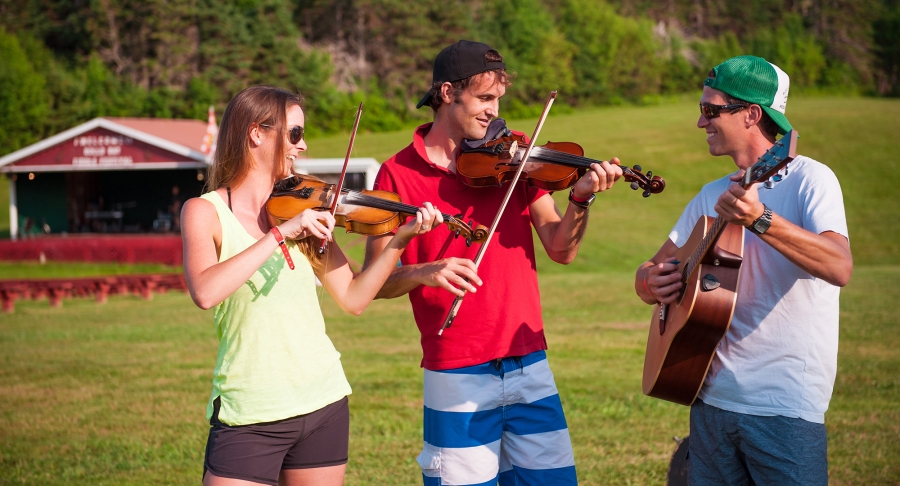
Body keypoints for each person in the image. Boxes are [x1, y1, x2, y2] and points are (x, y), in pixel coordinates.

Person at [364, 40, 623, 486]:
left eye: (497, 100)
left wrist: (581, 198)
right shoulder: (396, 174)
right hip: (456, 369)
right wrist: (426, 271)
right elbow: (374, 282)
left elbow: (561, 248)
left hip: (530, 363)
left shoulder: (515, 155)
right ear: (447, 93)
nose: (493, 111)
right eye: (484, 98)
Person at [181, 85, 441, 486]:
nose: (303, 147)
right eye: (295, 134)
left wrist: (400, 240)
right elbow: (205, 291)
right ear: (256, 133)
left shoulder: (304, 209)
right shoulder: (205, 212)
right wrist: (281, 234)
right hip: (250, 410)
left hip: (323, 402)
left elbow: (353, 298)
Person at [634, 56, 853, 485]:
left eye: (710, 110)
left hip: (783, 405)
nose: (701, 122)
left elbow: (839, 265)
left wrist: (761, 218)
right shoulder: (712, 193)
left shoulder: (811, 179)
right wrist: (649, 280)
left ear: (752, 114)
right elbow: (652, 268)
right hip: (708, 394)